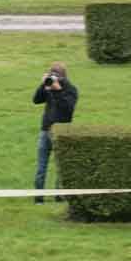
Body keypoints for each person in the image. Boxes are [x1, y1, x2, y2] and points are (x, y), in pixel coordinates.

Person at [32, 61, 78, 204]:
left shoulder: (71, 90)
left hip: (61, 131)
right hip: (45, 130)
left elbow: (68, 109)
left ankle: (59, 196)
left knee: (61, 166)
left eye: (56, 76)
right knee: (41, 166)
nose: (53, 78)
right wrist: (43, 85)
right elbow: (36, 100)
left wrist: (58, 91)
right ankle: (39, 197)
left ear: (63, 77)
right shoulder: (48, 86)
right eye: (52, 75)